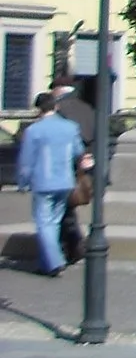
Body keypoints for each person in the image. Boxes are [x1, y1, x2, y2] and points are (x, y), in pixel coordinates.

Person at [14, 92, 84, 276]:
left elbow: (26, 161)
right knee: (54, 222)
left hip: (43, 182)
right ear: (56, 106)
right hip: (65, 181)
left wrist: (22, 183)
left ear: (38, 109)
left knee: (44, 224)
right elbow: (79, 151)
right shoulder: (70, 127)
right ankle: (45, 264)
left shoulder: (34, 131)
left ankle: (54, 261)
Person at [52, 77, 95, 265]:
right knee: (68, 209)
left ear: (58, 90)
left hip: (65, 165)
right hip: (85, 162)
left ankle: (72, 246)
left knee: (63, 211)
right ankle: (73, 245)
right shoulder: (87, 107)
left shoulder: (60, 109)